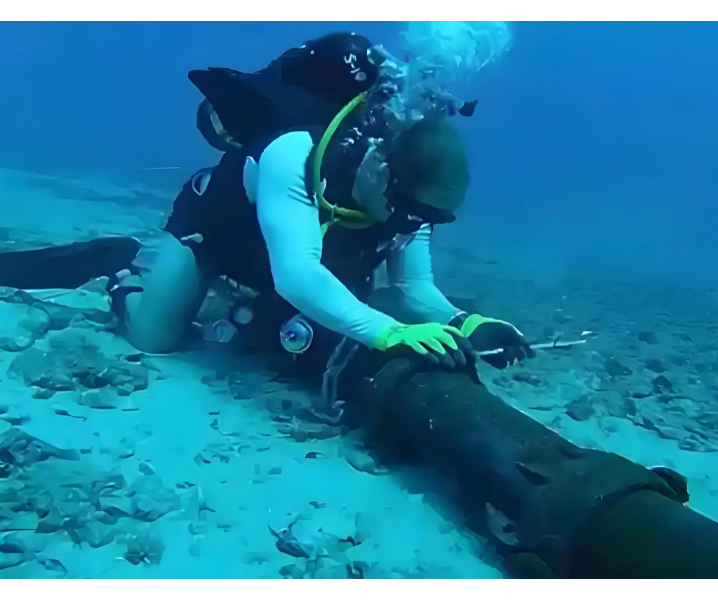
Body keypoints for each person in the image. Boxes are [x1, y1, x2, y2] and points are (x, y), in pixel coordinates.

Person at [110, 32, 533, 377]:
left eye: (432, 216)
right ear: (379, 169)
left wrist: (466, 322)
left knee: (291, 326)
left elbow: (414, 287)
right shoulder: (296, 153)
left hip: (284, 254)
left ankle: (245, 310)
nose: (415, 224)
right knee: (153, 338)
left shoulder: (410, 202)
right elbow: (297, 274)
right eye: (414, 212)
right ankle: (123, 277)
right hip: (219, 233)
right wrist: (388, 332)